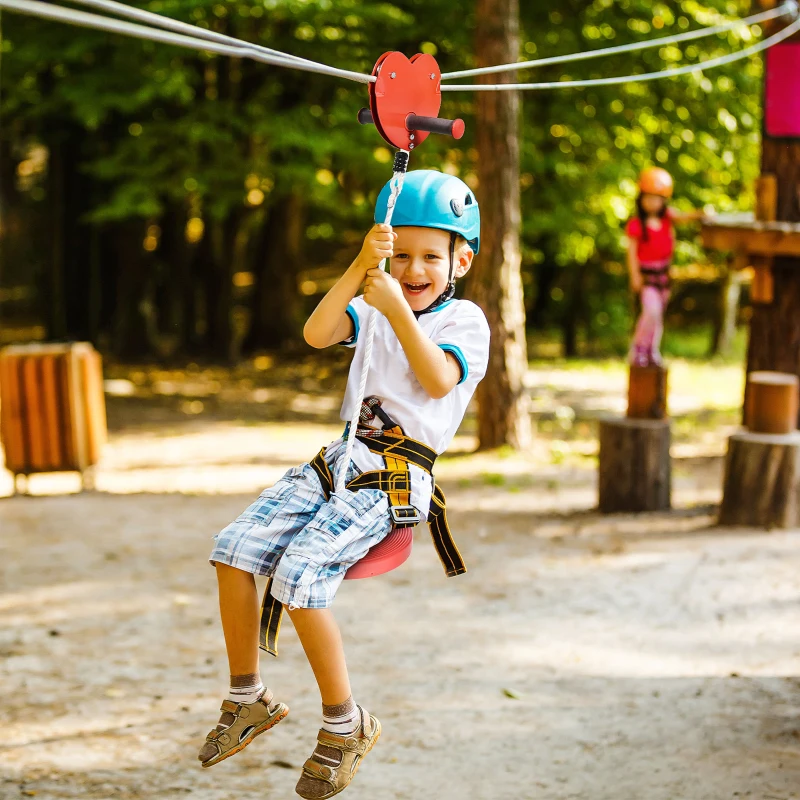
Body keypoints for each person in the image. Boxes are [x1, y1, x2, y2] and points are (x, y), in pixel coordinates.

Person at [198, 169, 490, 799]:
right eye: (400, 254)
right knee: (233, 548)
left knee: (299, 575)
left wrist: (394, 307)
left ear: (460, 261)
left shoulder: (465, 321)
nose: (413, 269)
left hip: (396, 476)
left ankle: (345, 723)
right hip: (341, 459)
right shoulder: (375, 301)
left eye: (430, 257)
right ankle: (247, 697)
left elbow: (438, 380)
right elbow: (316, 333)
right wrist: (360, 267)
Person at [626, 167, 707, 367]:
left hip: (663, 276)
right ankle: (639, 348)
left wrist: (701, 215)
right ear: (641, 199)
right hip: (647, 276)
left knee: (658, 316)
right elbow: (631, 252)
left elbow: (685, 217)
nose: (652, 203)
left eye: (656, 199)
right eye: (648, 198)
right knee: (651, 311)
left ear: (664, 201)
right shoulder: (637, 225)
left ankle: (652, 349)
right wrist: (634, 275)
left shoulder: (667, 219)